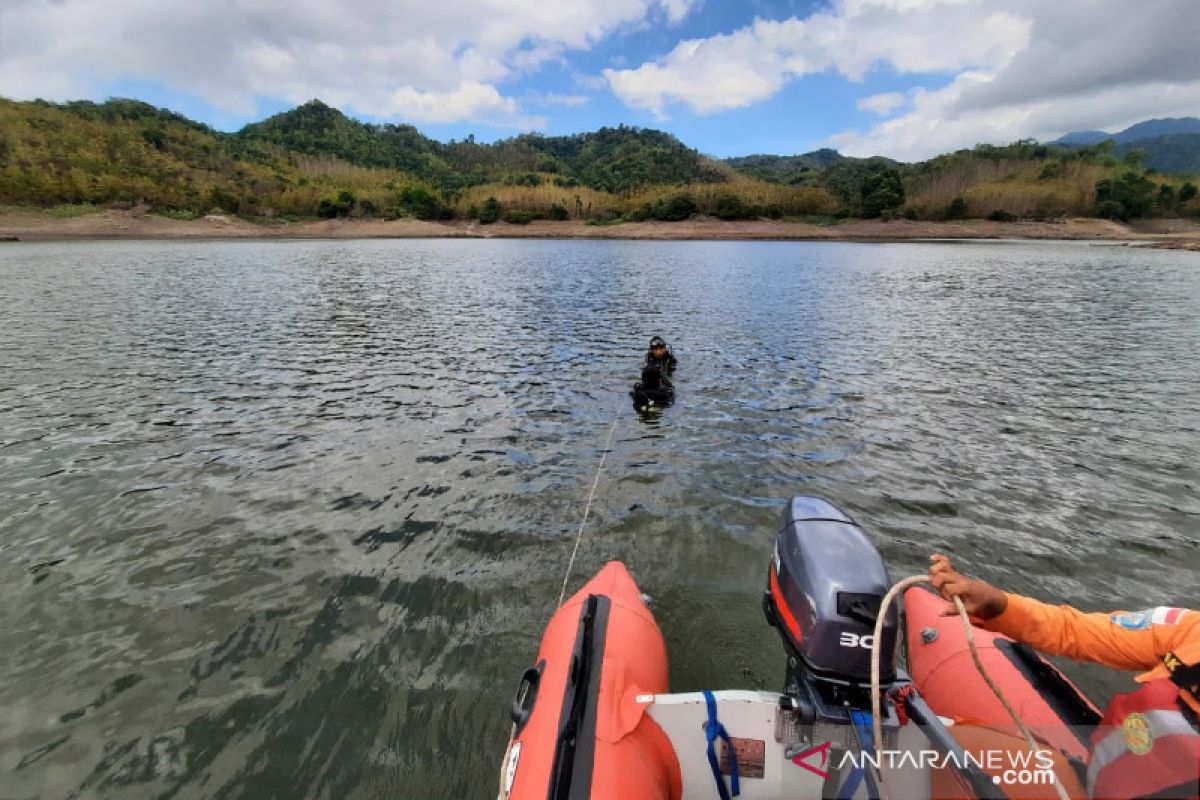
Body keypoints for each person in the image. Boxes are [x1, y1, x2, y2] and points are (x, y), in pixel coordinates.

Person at [929, 554, 1200, 799]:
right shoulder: (1190, 630)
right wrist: (999, 605)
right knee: (937, 747)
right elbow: (1074, 630)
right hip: (1099, 787)